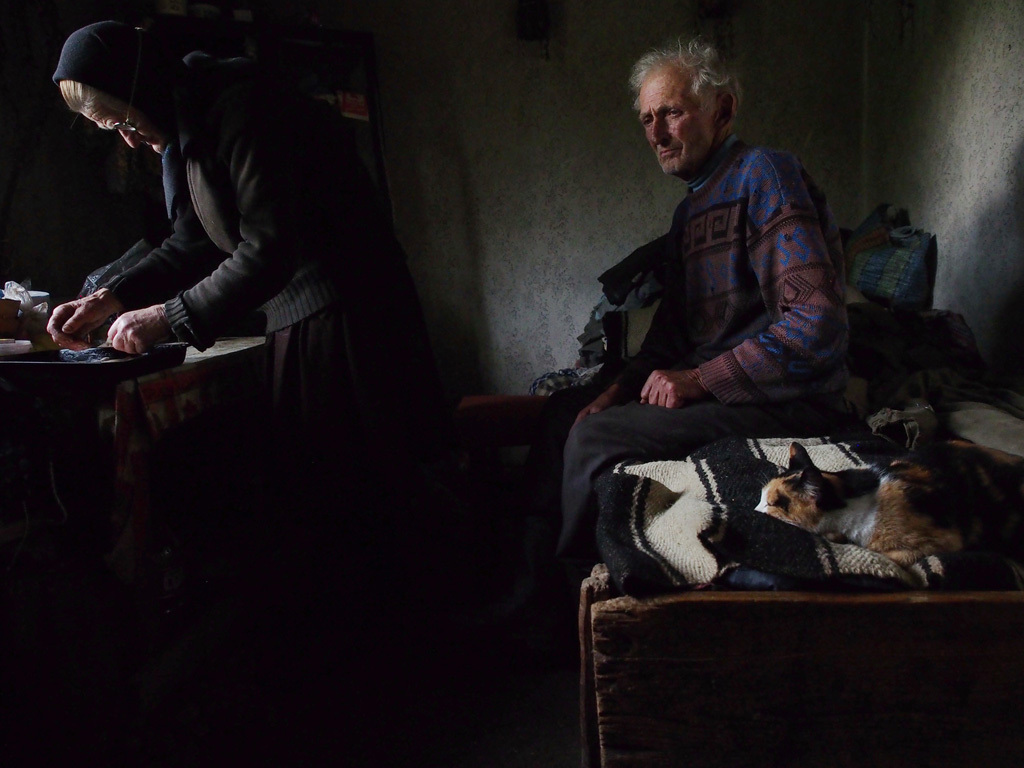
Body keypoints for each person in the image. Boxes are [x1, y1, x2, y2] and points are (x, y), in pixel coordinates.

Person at [48, 21, 454, 507]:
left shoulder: (243, 108)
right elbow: (193, 240)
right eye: (116, 131)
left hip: (347, 316)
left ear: (144, 86)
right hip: (301, 317)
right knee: (325, 492)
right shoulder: (187, 126)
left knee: (365, 491)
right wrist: (111, 297)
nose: (131, 141)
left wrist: (166, 317)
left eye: (126, 122)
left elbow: (269, 248)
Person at [526, 36, 855, 571]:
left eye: (672, 113)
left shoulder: (765, 175)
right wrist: (614, 390)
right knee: (568, 411)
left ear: (722, 110)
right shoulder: (689, 213)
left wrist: (697, 381)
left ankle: (557, 596)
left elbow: (818, 325)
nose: (656, 133)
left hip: (789, 399)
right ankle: (526, 569)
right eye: (646, 119)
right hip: (727, 396)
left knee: (595, 436)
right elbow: (671, 336)